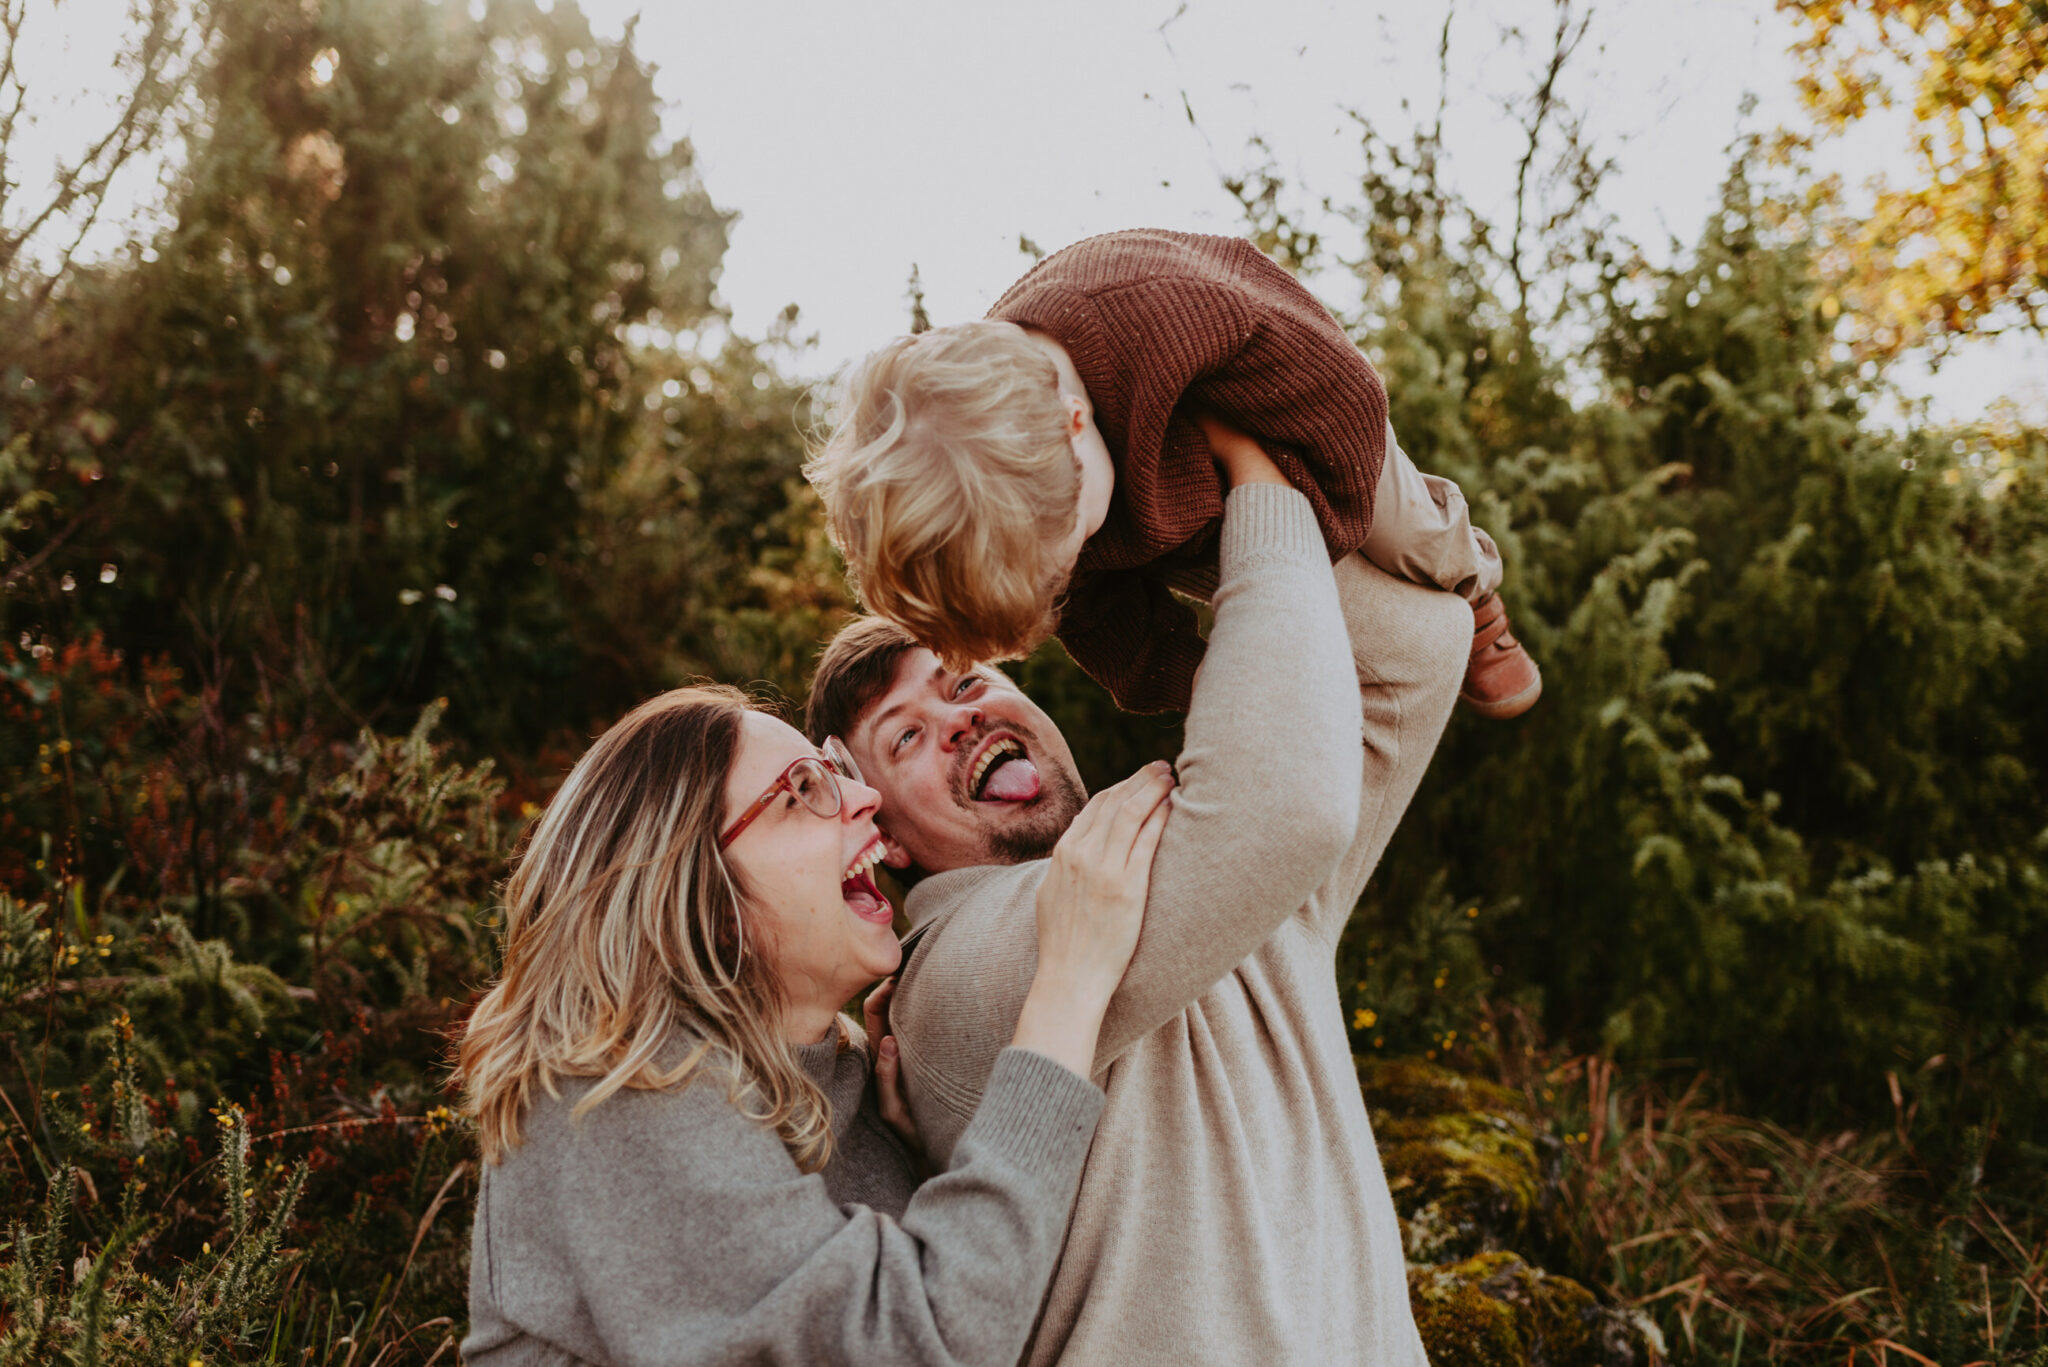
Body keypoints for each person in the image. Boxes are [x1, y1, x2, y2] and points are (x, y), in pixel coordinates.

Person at [805, 433, 1468, 1365]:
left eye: (965, 682)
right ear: (889, 838)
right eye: (905, 736)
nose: (957, 718)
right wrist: (1248, 473)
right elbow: (1291, 802)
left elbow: (1416, 647)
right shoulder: (942, 987)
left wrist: (1161, 537)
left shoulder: (1215, 862)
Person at [455, 683, 1175, 1365]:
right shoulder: (613, 1092)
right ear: (706, 899)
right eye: (802, 789)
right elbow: (909, 1345)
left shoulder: (844, 1084)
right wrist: (1068, 986)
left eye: (834, 770)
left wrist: (923, 1159)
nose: (866, 796)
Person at [803, 225, 1539, 720]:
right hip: (1176, 514)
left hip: (1301, 414)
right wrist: (1205, 682)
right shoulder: (1025, 502)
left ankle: (1475, 591)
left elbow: (1344, 394)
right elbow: (1099, 618)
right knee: (1302, 638)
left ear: (1073, 422)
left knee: (1410, 535)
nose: (1072, 567)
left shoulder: (1152, 311)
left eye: (1072, 545)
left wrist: (1315, 533)